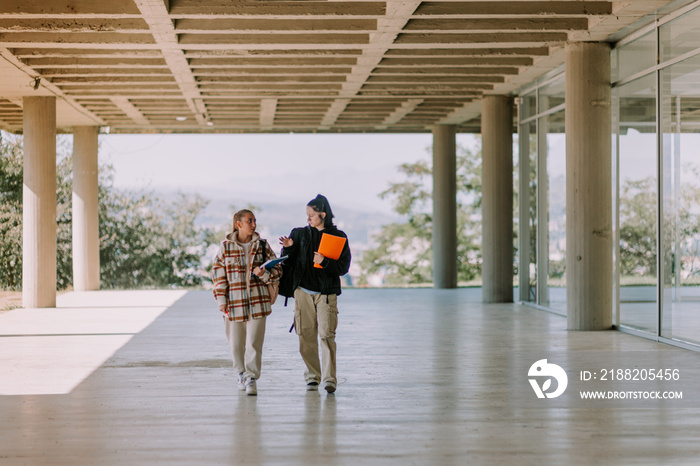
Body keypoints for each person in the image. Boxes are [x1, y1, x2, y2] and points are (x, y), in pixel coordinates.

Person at [279, 194, 351, 394]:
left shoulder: (339, 236)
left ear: (323, 214)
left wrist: (325, 261)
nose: (308, 219)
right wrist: (288, 249)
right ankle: (312, 377)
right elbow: (287, 263)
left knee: (327, 335)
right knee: (306, 335)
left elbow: (343, 267)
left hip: (326, 293)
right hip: (302, 292)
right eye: (307, 215)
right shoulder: (299, 234)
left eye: (311, 215)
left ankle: (330, 380)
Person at [212, 209, 282, 396]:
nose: (253, 224)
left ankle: (251, 378)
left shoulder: (262, 245)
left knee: (254, 343)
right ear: (239, 223)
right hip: (233, 304)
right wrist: (221, 299)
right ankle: (241, 374)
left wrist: (264, 273)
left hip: (258, 301)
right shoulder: (225, 247)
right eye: (249, 221)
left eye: (255, 220)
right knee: (236, 344)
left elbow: (278, 270)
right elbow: (218, 275)